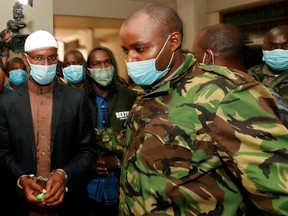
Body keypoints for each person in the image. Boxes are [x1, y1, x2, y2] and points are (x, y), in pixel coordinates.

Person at [117, 3, 288, 215]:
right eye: (126, 50)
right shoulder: (146, 92)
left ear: (173, 42)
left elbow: (279, 193)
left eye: (140, 49)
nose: (130, 60)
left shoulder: (226, 94)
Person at [0, 30, 97, 216]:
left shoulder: (76, 98)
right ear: (26, 59)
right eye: (38, 58)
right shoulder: (7, 102)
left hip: (68, 204)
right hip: (22, 205)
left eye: (52, 58)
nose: (46, 65)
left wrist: (64, 174)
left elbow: (88, 152)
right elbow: (3, 153)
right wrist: (21, 179)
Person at [85, 46, 137, 216]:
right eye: (97, 64)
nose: (103, 68)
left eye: (107, 63)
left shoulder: (130, 97)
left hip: (121, 187)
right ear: (89, 70)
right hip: (87, 189)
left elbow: (138, 141)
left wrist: (118, 161)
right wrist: (88, 164)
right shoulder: (77, 99)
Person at [248, 25, 288, 101]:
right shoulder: (249, 76)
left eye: (285, 47)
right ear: (263, 51)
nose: (278, 51)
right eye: (273, 47)